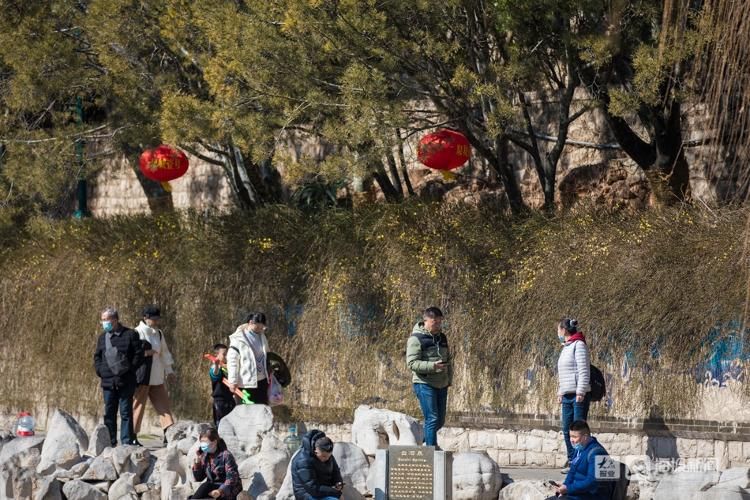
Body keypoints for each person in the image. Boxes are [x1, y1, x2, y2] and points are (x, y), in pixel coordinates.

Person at [93, 306, 144, 446]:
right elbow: (97, 356)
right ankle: (110, 441)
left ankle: (126, 442)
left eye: (106, 320)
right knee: (109, 413)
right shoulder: (102, 338)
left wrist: (130, 369)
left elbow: (139, 355)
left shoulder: (130, 334)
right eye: (102, 320)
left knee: (126, 412)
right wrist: (100, 371)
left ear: (115, 320)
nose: (104, 323)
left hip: (126, 381)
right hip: (108, 382)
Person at [406, 306, 452, 448]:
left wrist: (448, 379)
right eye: (435, 322)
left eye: (440, 321)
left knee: (440, 421)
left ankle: (416, 441)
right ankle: (432, 451)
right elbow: (412, 363)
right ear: (426, 320)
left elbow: (448, 359)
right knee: (431, 418)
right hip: (424, 383)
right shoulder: (416, 339)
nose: (438, 324)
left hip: (441, 384)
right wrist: (432, 366)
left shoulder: (442, 337)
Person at [132, 305, 176, 445]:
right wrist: (146, 353)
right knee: (138, 406)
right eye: (153, 319)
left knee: (164, 406)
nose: (156, 321)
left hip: (157, 375)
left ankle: (168, 433)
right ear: (145, 318)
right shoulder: (136, 332)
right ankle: (132, 435)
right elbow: (132, 354)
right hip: (142, 377)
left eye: (157, 319)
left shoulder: (159, 333)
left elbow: (164, 352)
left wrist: (169, 371)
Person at [557, 318, 592, 470]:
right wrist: (560, 391)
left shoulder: (579, 345)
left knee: (579, 431)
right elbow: (563, 373)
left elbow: (584, 370)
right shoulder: (565, 347)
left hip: (578, 396)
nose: (557, 333)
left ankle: (581, 462)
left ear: (564, 330)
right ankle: (572, 461)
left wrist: (581, 391)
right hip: (567, 395)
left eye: (558, 329)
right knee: (567, 430)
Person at [553, 420, 612, 500]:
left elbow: (591, 482)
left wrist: (568, 489)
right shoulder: (579, 449)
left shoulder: (597, 453)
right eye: (570, 436)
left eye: (575, 437)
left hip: (592, 496)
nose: (571, 440)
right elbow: (572, 472)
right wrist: (564, 487)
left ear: (585, 437)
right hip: (577, 494)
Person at [227, 312, 270, 405]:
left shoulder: (262, 337)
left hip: (262, 381)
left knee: (262, 409)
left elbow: (267, 354)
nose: (260, 329)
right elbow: (232, 360)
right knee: (247, 411)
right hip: (246, 383)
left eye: (261, 327)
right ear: (250, 322)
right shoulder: (238, 339)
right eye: (257, 326)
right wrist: (232, 381)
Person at [189, 427, 244, 500]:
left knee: (206, 486)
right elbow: (199, 478)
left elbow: (232, 478)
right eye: (201, 442)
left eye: (205, 442)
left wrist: (220, 491)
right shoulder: (205, 456)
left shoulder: (226, 455)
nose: (202, 445)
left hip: (228, 489)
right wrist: (197, 463)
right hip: (213, 488)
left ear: (214, 442)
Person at [291, 430, 344, 500]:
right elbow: (313, 488)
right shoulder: (303, 460)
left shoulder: (326, 454)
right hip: (307, 493)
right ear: (316, 451)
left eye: (329, 456)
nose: (327, 459)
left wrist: (338, 482)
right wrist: (336, 493)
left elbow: (335, 471)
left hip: (322, 489)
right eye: (324, 456)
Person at [210, 343, 236, 427]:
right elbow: (215, 374)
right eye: (224, 354)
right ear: (216, 354)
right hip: (220, 401)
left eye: (227, 354)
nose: (226, 356)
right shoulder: (214, 367)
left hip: (231, 400)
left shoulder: (229, 368)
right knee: (221, 424)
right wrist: (217, 365)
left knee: (232, 423)